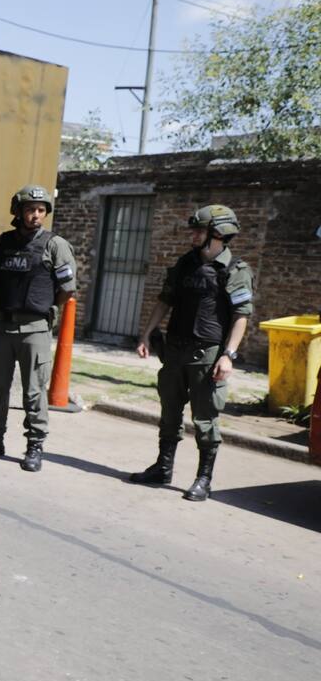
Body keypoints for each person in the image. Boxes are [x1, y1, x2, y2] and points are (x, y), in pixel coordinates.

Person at [129, 205, 253, 502]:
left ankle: (203, 478)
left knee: (205, 419)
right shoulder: (185, 264)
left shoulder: (235, 270)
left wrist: (229, 355)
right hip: (174, 351)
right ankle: (162, 468)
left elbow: (241, 315)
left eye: (199, 230)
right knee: (169, 412)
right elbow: (165, 301)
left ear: (217, 234)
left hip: (207, 356)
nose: (193, 235)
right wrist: (146, 333)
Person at [0, 184, 77, 472]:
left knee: (34, 391)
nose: (36, 215)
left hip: (34, 329)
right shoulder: (1, 244)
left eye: (41, 210)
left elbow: (67, 289)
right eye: (30, 210)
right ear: (18, 212)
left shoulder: (55, 245)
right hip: (2, 328)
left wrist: (46, 308)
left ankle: (34, 446)